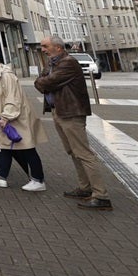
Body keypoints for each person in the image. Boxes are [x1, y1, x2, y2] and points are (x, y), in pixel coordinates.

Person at [34, 35, 112, 211]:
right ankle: (85, 188)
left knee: (83, 153)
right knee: (73, 151)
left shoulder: (68, 63)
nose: (43, 49)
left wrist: (43, 82)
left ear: (58, 48)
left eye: (46, 46)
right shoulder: (52, 63)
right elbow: (40, 81)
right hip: (59, 111)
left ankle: (101, 195)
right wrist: (42, 82)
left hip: (71, 112)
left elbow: (46, 82)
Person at [0, 47, 47, 191]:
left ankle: (38, 180)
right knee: (6, 148)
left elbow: (13, 98)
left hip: (15, 119)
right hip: (7, 119)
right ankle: (0, 176)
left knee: (27, 149)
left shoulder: (6, 76)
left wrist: (6, 117)